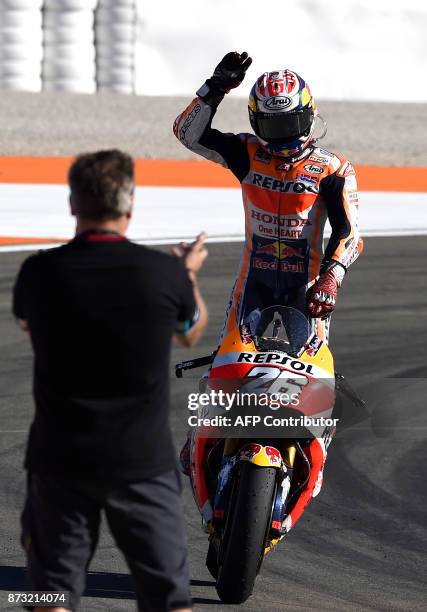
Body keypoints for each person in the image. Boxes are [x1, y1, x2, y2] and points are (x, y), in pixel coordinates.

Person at [174, 53, 363, 532]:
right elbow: (187, 134)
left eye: (292, 122)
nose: (282, 136)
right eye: (272, 125)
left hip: (309, 291)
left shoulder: (332, 168)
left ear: (310, 114)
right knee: (224, 365)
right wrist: (214, 89)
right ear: (258, 122)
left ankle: (315, 449)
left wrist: (332, 277)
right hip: (253, 286)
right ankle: (199, 436)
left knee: (316, 378)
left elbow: (350, 231)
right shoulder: (246, 153)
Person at [13, 149, 208, 612]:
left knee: (45, 596)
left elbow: (26, 322)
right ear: (130, 206)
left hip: (60, 459)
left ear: (72, 205)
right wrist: (188, 275)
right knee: (169, 598)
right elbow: (191, 331)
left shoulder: (39, 272)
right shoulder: (164, 274)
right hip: (142, 462)